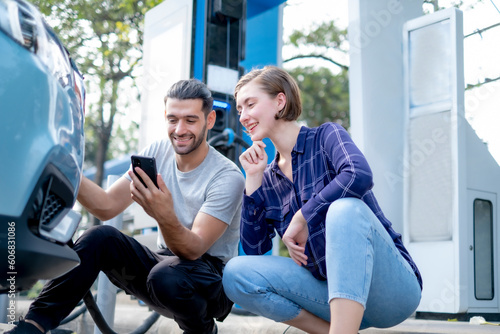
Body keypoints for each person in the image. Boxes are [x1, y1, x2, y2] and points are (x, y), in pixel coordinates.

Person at [8, 79, 245, 334]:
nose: (179, 129)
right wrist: (61, 168)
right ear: (165, 117)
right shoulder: (157, 151)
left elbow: (193, 249)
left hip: (210, 280)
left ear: (209, 121)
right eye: (173, 119)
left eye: (190, 120)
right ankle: (34, 325)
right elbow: (106, 206)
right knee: (99, 237)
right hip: (166, 263)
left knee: (166, 276)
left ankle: (202, 331)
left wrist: (163, 214)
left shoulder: (227, 176)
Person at [222, 66, 423, 334]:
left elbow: (359, 175)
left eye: (250, 104)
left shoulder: (326, 136)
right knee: (236, 273)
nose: (243, 117)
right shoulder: (267, 178)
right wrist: (253, 180)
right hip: (328, 296)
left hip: (390, 291)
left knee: (345, 209)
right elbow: (255, 251)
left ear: (279, 101)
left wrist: (302, 216)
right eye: (239, 110)